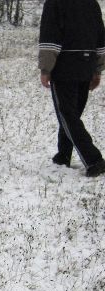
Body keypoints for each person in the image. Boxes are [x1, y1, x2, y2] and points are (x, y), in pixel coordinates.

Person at [39, 0, 105, 177]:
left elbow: (50, 35)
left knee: (67, 115)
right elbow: (100, 36)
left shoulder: (55, 3)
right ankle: (63, 156)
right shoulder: (92, 3)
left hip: (64, 67)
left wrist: (46, 69)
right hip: (87, 65)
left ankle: (93, 160)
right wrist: (97, 69)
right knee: (72, 115)